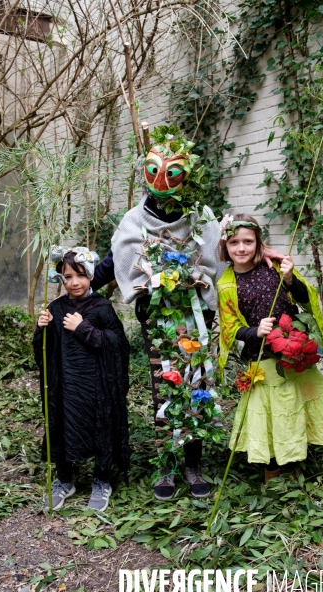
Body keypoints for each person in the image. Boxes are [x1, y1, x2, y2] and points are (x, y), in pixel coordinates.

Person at [92, 126, 284, 500]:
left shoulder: (200, 218)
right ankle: (167, 463)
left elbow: (225, 255)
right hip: (157, 322)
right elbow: (114, 262)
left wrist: (266, 256)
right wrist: (76, 286)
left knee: (198, 384)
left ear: (187, 176)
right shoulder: (133, 221)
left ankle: (193, 464)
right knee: (165, 386)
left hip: (198, 318)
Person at [217, 214, 323, 482]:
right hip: (262, 358)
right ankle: (272, 471)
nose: (241, 248)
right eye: (234, 242)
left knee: (295, 409)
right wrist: (254, 331)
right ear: (225, 246)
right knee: (274, 416)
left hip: (293, 353)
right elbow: (229, 329)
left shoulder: (274, 266)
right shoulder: (227, 283)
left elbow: (304, 298)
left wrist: (289, 279)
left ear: (258, 241)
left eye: (248, 241)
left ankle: (295, 460)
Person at [33, 247, 130, 511]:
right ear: (60, 279)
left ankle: (102, 479)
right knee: (61, 425)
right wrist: (42, 329)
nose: (74, 282)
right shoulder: (55, 307)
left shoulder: (101, 307)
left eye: (80, 275)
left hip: (96, 386)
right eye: (68, 276)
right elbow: (44, 352)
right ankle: (64, 480)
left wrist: (83, 328)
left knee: (100, 426)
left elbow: (117, 345)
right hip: (64, 386)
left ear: (90, 275)